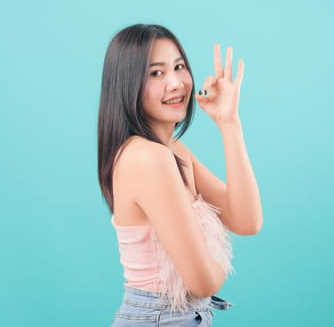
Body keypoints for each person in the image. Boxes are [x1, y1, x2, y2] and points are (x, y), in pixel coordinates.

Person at [98, 24, 263, 326]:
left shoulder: (174, 151)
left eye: (179, 67)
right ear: (127, 84)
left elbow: (247, 220)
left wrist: (229, 123)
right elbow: (203, 282)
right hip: (159, 318)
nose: (175, 83)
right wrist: (212, 264)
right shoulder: (147, 158)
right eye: (156, 73)